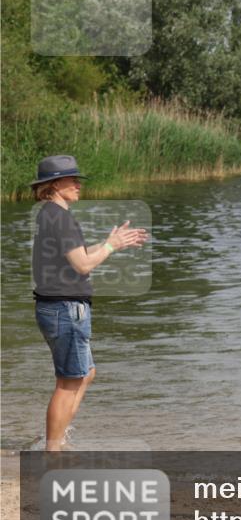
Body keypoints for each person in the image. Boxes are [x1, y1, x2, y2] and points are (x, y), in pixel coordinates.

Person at [30, 155, 148, 451]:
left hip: (58, 307)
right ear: (55, 184)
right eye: (73, 179)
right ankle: (53, 452)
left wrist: (112, 243)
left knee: (85, 373)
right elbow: (83, 265)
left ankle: (59, 437)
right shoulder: (61, 218)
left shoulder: (50, 214)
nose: (79, 185)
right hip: (65, 309)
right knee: (68, 382)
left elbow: (75, 258)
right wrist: (111, 246)